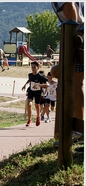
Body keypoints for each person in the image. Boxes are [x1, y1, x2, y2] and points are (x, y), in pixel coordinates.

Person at [51, 2, 84, 153]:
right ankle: (78, 130)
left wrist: (72, 53)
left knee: (75, 82)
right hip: (79, 41)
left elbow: (73, 23)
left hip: (80, 42)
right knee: (61, 73)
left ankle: (78, 131)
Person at [21, 61, 49, 127]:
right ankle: (29, 119)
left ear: (38, 68)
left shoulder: (40, 76)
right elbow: (29, 80)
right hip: (31, 91)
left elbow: (47, 84)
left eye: (34, 67)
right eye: (32, 67)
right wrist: (25, 85)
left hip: (38, 93)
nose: (33, 68)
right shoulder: (30, 75)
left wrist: (39, 85)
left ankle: (38, 117)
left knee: (37, 105)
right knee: (29, 104)